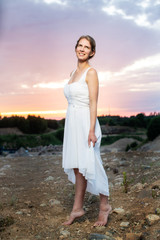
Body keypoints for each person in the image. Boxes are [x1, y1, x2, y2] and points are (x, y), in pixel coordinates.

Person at [62, 35, 112, 226]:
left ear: (92, 52)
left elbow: (93, 103)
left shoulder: (91, 73)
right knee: (78, 166)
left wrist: (91, 130)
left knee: (91, 163)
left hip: (86, 123)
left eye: (87, 47)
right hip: (72, 122)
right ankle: (77, 209)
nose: (82, 49)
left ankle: (104, 206)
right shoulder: (72, 72)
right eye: (80, 45)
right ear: (76, 48)